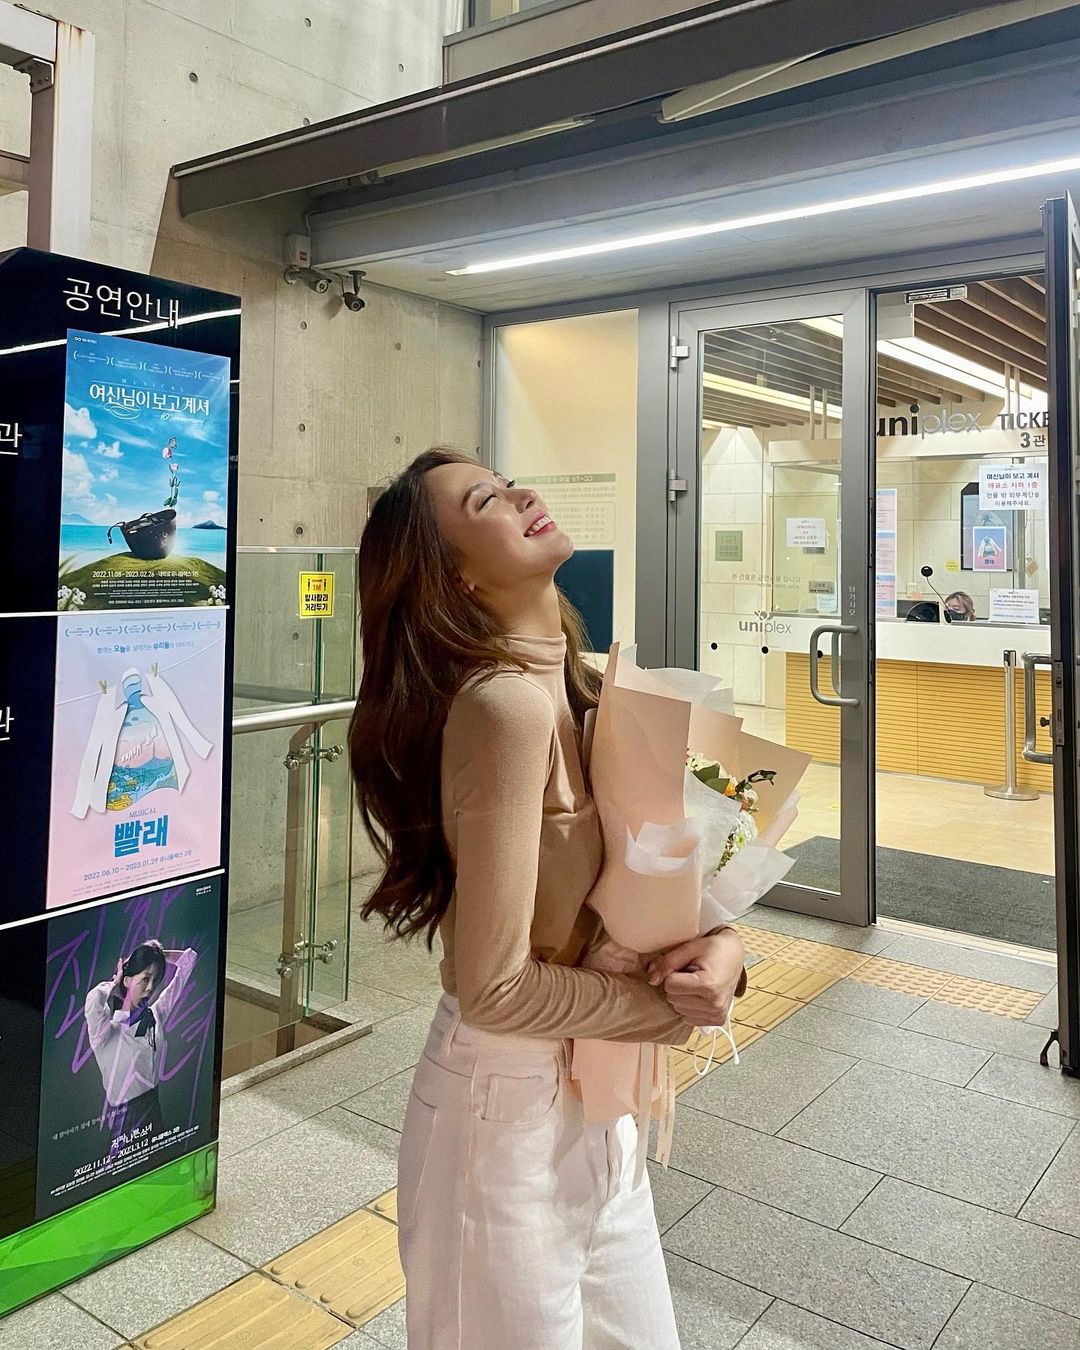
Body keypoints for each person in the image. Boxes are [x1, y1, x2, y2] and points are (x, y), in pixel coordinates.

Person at [349, 448, 746, 1350]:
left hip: (597, 1096)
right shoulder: (504, 709)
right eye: (485, 501)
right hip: (502, 1112)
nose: (522, 493)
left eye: (506, 481)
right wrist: (665, 1010)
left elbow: (640, 887)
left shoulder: (584, 683)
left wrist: (722, 948)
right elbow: (491, 987)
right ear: (455, 575)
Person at [83, 939, 197, 1136]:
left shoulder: (156, 1014)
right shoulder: (105, 1032)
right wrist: (115, 982)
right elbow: (94, 999)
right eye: (145, 979)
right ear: (127, 981)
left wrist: (156, 955)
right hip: (125, 1119)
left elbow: (189, 960)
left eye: (155, 980)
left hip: (154, 1110)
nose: (150, 987)